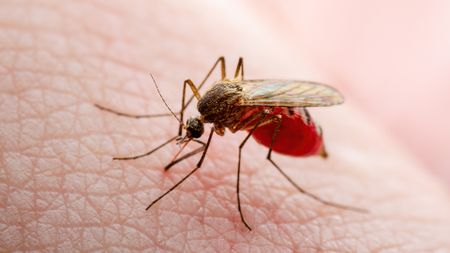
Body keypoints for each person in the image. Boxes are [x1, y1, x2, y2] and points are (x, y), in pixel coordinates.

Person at [1, 1, 449, 252]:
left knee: (237, 147)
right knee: (226, 108)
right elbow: (198, 116)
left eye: (190, 128)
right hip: (253, 107)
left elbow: (218, 137)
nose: (190, 130)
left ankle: (296, 181)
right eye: (190, 127)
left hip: (286, 119)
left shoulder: (217, 113)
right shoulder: (204, 106)